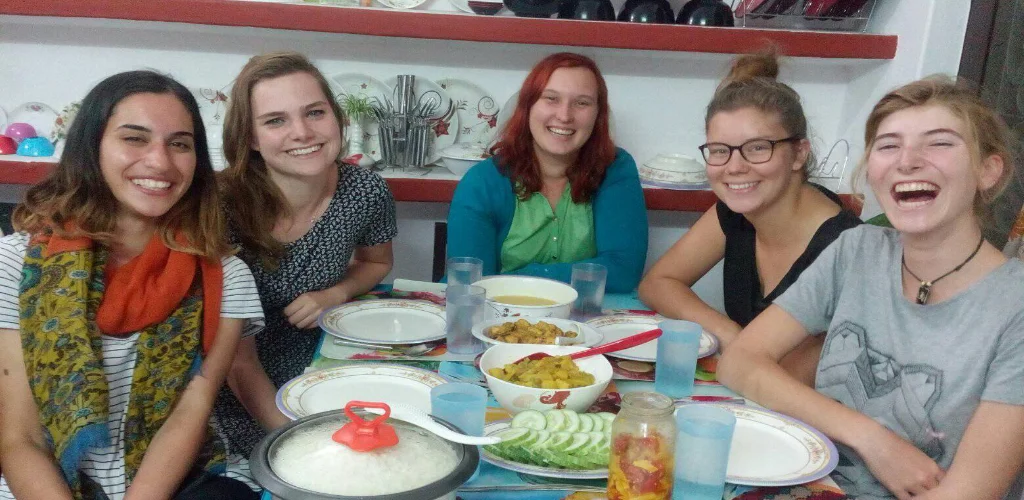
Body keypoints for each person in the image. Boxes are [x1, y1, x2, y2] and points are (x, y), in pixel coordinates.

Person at [718, 76, 1024, 500]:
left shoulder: (1015, 305)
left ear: (988, 170)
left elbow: (970, 492)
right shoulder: (858, 250)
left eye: (938, 143)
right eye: (888, 145)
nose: (908, 161)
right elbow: (740, 362)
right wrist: (872, 438)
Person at [0, 70, 264, 499]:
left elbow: (190, 413)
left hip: (177, 481)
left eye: (180, 144)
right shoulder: (15, 265)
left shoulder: (224, 275)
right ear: (93, 147)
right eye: (135, 138)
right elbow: (20, 437)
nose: (160, 162)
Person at [215, 52, 397, 461]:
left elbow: (376, 263)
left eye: (314, 112)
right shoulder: (217, 208)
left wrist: (335, 293)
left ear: (337, 118)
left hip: (324, 362)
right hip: (237, 382)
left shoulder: (365, 191)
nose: (302, 132)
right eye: (275, 120)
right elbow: (235, 362)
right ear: (250, 138)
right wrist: (303, 443)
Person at [638, 51, 860, 384]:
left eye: (757, 147)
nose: (734, 166)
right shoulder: (736, 213)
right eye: (719, 150)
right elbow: (657, 283)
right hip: (747, 389)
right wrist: (728, 332)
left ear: (799, 153)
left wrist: (741, 351)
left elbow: (795, 377)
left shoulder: (847, 248)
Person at [446, 52, 648, 293]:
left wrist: (520, 277)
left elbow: (624, 272)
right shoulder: (482, 181)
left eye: (582, 103)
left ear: (598, 115)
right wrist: (582, 274)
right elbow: (473, 285)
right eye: (551, 99)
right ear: (528, 107)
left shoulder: (616, 168)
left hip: (586, 324)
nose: (564, 116)